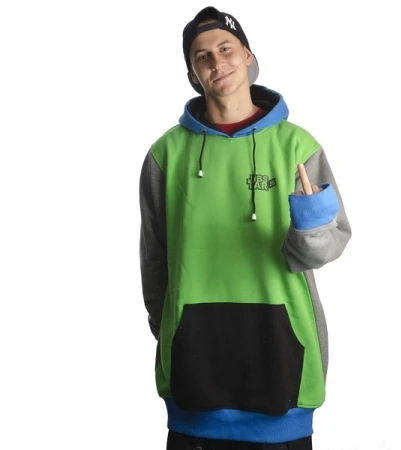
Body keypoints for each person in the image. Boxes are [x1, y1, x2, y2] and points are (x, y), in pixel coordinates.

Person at [139, 6, 352, 450]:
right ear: (192, 74)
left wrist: (310, 227)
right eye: (202, 56)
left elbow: (325, 248)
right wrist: (170, 332)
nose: (216, 62)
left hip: (282, 370)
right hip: (195, 380)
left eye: (225, 49)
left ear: (248, 56)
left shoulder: (298, 146)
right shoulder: (165, 154)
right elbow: (154, 259)